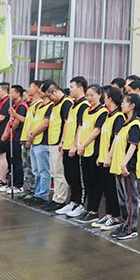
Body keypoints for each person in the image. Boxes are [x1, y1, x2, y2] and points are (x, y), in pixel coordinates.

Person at [84, 87, 124, 228]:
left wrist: (109, 156)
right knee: (106, 189)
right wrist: (100, 156)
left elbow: (116, 139)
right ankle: (108, 214)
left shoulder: (119, 117)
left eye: (105, 97)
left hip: (110, 159)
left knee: (112, 189)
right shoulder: (108, 115)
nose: (103, 99)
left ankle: (116, 217)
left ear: (110, 99)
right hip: (102, 157)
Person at [106, 93, 140, 240]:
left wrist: (124, 164)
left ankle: (131, 228)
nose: (121, 105)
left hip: (128, 168)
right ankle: (125, 223)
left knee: (130, 199)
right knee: (122, 199)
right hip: (119, 166)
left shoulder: (135, 124)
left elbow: (133, 146)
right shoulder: (126, 123)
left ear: (132, 106)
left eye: (124, 102)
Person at [74, 85, 109, 227]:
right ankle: (88, 209)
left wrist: (83, 144)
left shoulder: (103, 112)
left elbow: (96, 131)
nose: (89, 98)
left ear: (100, 95)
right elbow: (81, 127)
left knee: (95, 182)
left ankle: (94, 211)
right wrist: (78, 143)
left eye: (92, 95)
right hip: (84, 150)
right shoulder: (86, 111)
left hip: (94, 151)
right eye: (87, 95)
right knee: (87, 181)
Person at [57, 77, 90, 217]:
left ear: (80, 88)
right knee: (69, 176)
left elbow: (80, 127)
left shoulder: (84, 106)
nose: (70, 90)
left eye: (72, 87)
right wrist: (63, 142)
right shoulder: (73, 105)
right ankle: (73, 201)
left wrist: (75, 146)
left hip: (75, 148)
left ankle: (80, 204)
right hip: (67, 145)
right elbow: (68, 125)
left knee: (78, 177)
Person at [40, 81, 73, 212]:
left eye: (49, 96)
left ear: (55, 91)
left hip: (59, 142)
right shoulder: (55, 105)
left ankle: (60, 199)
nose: (49, 99)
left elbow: (67, 123)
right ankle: (56, 198)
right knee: (54, 172)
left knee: (60, 173)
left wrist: (63, 141)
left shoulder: (66, 103)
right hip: (52, 142)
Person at [26, 87, 52, 206]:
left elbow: (45, 124)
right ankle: (37, 194)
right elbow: (34, 122)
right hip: (35, 141)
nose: (39, 92)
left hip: (43, 142)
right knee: (36, 171)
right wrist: (30, 135)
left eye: (41, 90)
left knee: (43, 171)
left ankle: (43, 195)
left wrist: (33, 134)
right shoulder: (39, 106)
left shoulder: (50, 106)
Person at [17, 81, 42, 198]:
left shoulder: (39, 105)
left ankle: (33, 191)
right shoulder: (32, 104)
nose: (27, 89)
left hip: (32, 140)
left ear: (37, 89)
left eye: (30, 87)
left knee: (32, 168)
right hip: (25, 138)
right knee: (26, 166)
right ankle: (28, 189)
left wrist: (29, 139)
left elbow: (36, 123)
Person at [2, 85, 28, 193]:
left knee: (17, 161)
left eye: (12, 92)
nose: (10, 95)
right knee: (11, 160)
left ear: (18, 93)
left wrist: (7, 133)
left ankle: (18, 184)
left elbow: (16, 122)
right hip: (12, 136)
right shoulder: (14, 105)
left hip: (17, 136)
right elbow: (10, 121)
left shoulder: (21, 106)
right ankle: (11, 183)